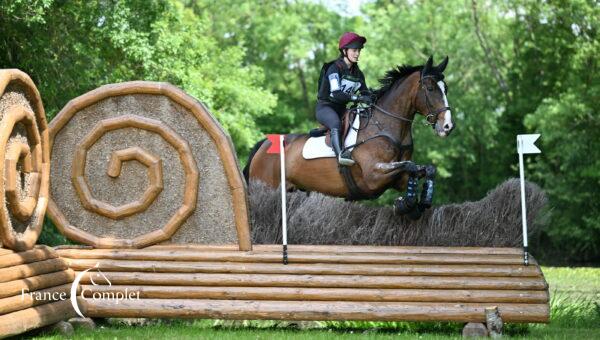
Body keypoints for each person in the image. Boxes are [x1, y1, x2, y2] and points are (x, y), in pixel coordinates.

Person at [316, 32, 372, 166]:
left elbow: (365, 92)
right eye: (354, 50)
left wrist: (373, 97)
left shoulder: (358, 74)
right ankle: (340, 154)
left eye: (358, 50)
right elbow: (336, 94)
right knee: (335, 123)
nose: (357, 53)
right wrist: (357, 98)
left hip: (342, 109)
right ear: (344, 51)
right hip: (326, 108)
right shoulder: (334, 68)